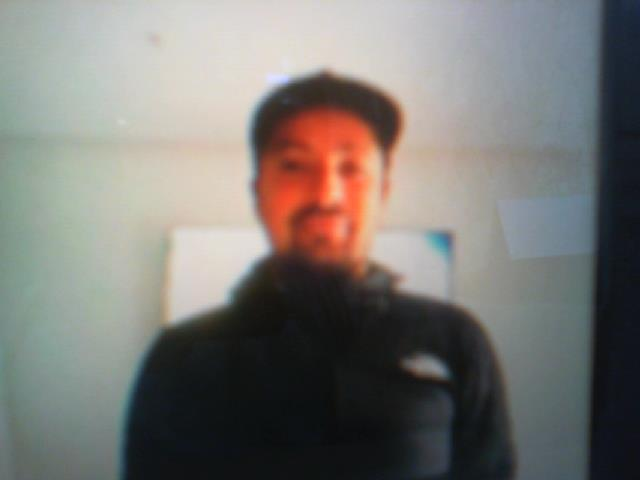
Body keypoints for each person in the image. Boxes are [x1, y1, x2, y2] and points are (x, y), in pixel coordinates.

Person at [123, 72, 516, 479]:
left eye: (352, 167)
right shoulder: (181, 356)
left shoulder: (453, 340)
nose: (327, 194)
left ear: (383, 191)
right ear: (258, 193)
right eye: (294, 165)